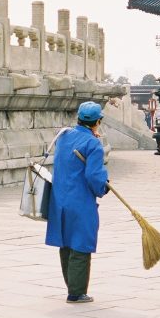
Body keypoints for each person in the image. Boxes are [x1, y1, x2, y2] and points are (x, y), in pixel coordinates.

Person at [46, 101, 109, 304]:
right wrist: (104, 186)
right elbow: (94, 176)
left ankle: (72, 286)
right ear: (98, 121)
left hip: (59, 199)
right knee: (81, 243)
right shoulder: (93, 145)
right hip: (80, 201)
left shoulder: (63, 136)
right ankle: (76, 292)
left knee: (65, 243)